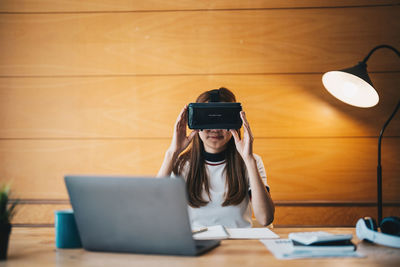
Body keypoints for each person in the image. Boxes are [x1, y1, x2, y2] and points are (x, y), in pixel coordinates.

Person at [157, 87, 274, 228]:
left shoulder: (251, 161)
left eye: (222, 120)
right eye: (208, 119)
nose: (215, 129)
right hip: (197, 243)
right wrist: (172, 153)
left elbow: (265, 218)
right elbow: (154, 208)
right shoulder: (181, 164)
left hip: (238, 244)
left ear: (235, 123)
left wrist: (248, 159)